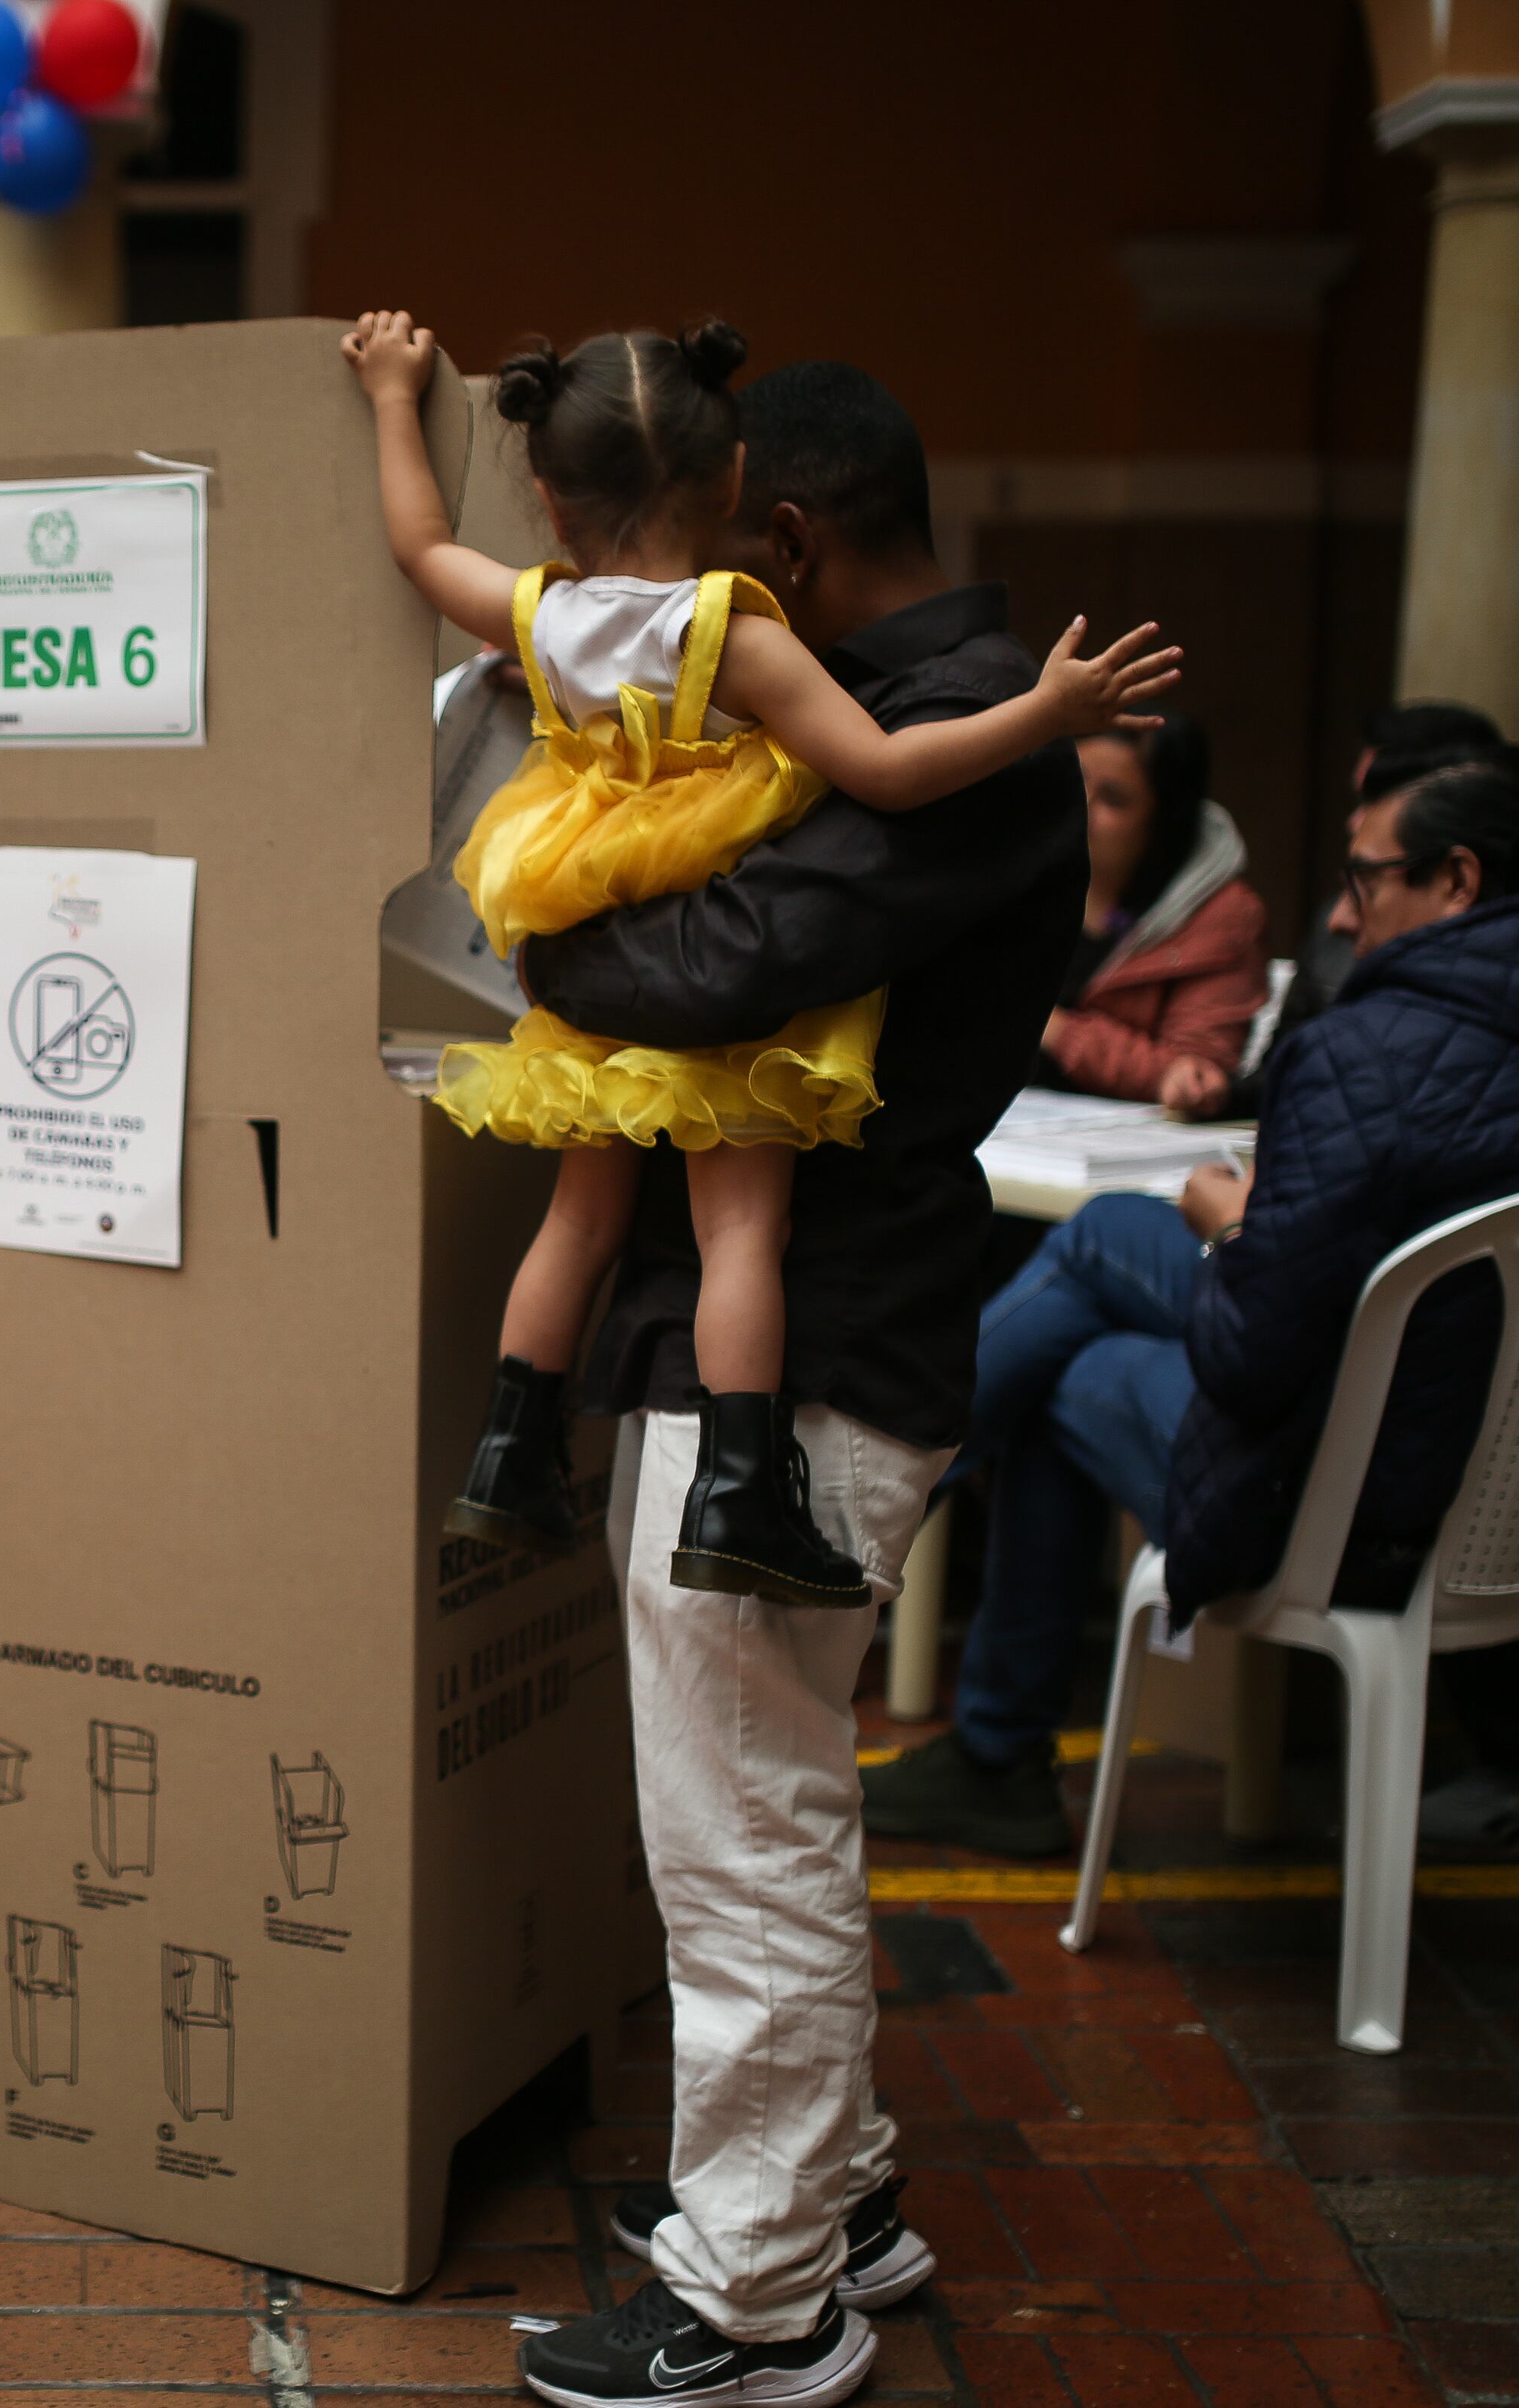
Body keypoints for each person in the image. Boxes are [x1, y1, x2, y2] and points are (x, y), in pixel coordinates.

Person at [479, 358, 1086, 2408]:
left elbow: (714, 968)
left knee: (742, 1824)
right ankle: (842, 2200)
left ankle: (760, 2300)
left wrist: (519, 927)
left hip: (826, 1338)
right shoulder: (923, 707)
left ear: (786, 544)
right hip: (813, 1316)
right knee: (761, 1790)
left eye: (701, 582)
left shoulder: (952, 738)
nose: (680, 656)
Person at [346, 310, 1176, 1610]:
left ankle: (508, 1450)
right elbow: (892, 775)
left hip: (568, 879)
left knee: (579, 1214)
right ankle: (743, 1483)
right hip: (703, 938)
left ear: (552, 498)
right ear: (735, 486)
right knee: (746, 1229)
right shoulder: (736, 636)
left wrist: (397, 397)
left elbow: (416, 544)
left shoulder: (544, 615)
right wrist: (1046, 716)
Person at [867, 745, 1519, 1859]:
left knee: (1073, 1363)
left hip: (1365, 1512)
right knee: (1103, 1240)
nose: (1342, 921)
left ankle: (893, 1557)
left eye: (1365, 878)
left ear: (1459, 882)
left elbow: (1252, 1357)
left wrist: (1239, 1226)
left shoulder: (1368, 1054)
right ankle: (905, 1559)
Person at [1210, 699, 1499, 1120]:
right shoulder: (1341, 920)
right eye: (1359, 798)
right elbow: (1281, 1073)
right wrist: (1222, 1095)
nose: (1355, 822)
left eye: (1378, 800)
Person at [1038, 716, 1268, 1114]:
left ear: (1162, 823)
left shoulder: (1221, 914)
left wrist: (1056, 1030)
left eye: (1112, 798)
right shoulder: (1022, 869)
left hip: (1124, 1145)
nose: (1080, 806)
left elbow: (1194, 1078)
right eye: (1074, 780)